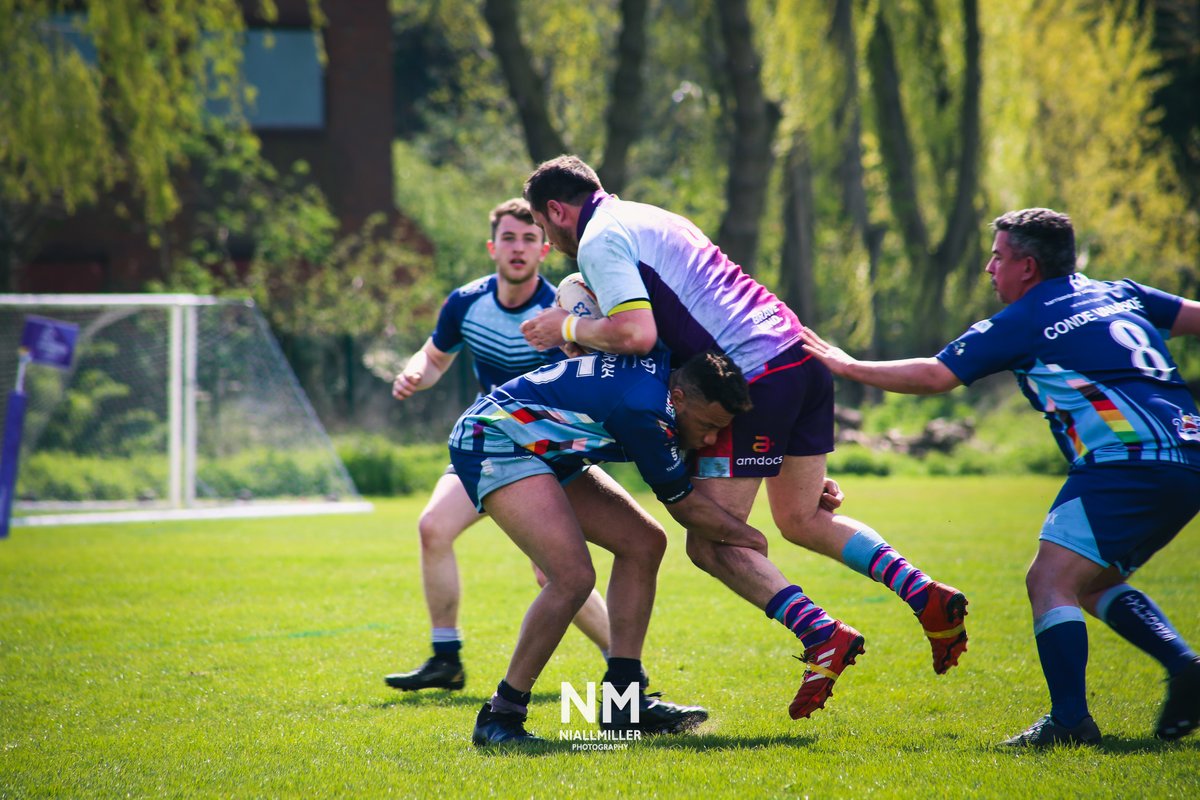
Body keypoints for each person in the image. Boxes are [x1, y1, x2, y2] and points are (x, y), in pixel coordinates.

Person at [519, 156, 969, 721]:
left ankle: (819, 633)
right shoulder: (648, 216)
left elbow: (637, 334)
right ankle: (924, 593)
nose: (549, 241)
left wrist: (562, 326)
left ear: (557, 210)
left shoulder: (599, 238)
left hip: (750, 378)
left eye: (541, 227)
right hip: (799, 358)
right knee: (802, 517)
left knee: (709, 540)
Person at [800, 207, 1200, 747]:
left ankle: (1069, 722)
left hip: (1126, 461)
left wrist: (847, 365)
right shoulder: (1120, 293)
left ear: (1028, 266)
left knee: (1050, 581)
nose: (990, 268)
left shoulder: (1027, 318)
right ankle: (1185, 668)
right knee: (1096, 580)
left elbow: (935, 374)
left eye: (997, 257)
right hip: (1189, 455)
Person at [455, 346, 852, 746]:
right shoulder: (645, 410)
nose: (712, 438)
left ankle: (623, 702)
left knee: (644, 543)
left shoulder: (673, 377)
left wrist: (805, 480)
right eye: (710, 425)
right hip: (495, 437)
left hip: (545, 446)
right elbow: (685, 507)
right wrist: (752, 538)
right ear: (678, 398)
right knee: (572, 578)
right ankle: (500, 716)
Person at [384, 198, 613, 693]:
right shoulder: (466, 302)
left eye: (530, 239)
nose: (518, 248)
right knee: (432, 528)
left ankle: (623, 664)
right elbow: (434, 358)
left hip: (548, 455)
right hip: (487, 447)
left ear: (544, 249)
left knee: (550, 570)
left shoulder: (561, 309)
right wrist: (413, 374)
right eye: (509, 238)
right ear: (493, 247)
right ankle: (446, 658)